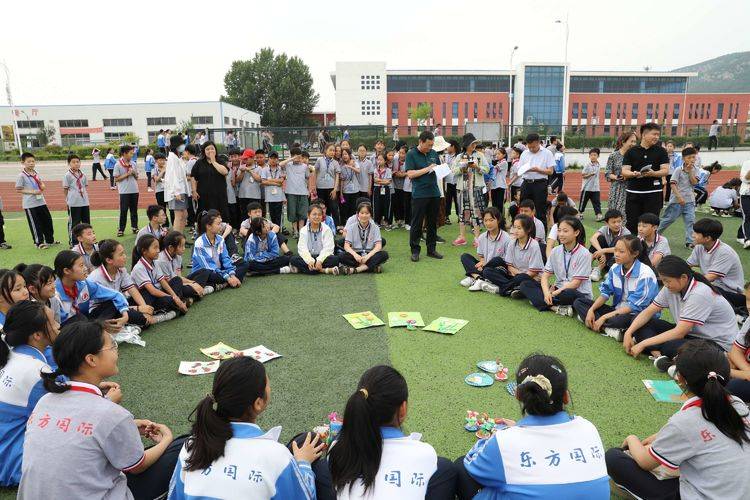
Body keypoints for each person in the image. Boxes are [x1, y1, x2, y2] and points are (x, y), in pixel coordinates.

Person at [19, 320, 183, 500]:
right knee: (181, 447)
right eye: (112, 346)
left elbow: (79, 431)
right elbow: (137, 466)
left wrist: (129, 425)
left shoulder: (46, 400)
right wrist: (166, 439)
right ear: (91, 359)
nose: (116, 350)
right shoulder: (111, 414)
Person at [606, 340, 750, 500]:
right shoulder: (738, 404)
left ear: (680, 378)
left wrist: (631, 439)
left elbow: (645, 462)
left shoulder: (686, 420)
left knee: (614, 458)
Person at [456, 353, 609, 499]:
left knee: (460, 467)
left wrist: (504, 435)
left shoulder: (505, 442)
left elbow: (472, 463)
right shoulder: (588, 428)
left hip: (502, 447)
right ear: (566, 397)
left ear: (518, 395)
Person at [168, 357, 321, 499]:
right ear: (258, 403)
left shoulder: (191, 446)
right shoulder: (277, 456)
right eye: (267, 384)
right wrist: (303, 463)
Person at [317, 365, 456, 500]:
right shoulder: (425, 453)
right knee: (445, 468)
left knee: (323, 467)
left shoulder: (337, 449)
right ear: (403, 409)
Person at [623, 256, 737, 371]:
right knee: (639, 321)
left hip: (716, 345)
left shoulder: (700, 293)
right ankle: (659, 356)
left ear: (683, 278)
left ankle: (653, 349)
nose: (665, 284)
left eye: (667, 281)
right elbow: (648, 312)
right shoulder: (670, 288)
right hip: (691, 336)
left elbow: (679, 333)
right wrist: (628, 332)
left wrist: (643, 343)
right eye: (663, 280)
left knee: (671, 346)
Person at [0, 301, 60, 487]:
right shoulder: (37, 370)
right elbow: (65, 414)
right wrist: (105, 399)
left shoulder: (11, 355)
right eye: (53, 322)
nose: (58, 325)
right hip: (12, 463)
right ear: (37, 335)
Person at [573, 235, 659, 341]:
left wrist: (605, 317)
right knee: (579, 302)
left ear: (635, 254)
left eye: (621, 252)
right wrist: (591, 310)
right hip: (617, 310)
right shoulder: (615, 268)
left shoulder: (646, 274)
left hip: (637, 315)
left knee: (619, 320)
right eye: (615, 250)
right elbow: (605, 293)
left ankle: (602, 324)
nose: (616, 254)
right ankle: (608, 329)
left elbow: (634, 307)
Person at [517, 216, 592, 316]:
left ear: (576, 233)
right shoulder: (555, 251)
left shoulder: (584, 253)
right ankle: (554, 307)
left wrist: (554, 293)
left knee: (568, 294)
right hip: (557, 290)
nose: (560, 234)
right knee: (525, 284)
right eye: (559, 230)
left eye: (565, 231)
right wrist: (547, 292)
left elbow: (575, 284)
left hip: (577, 293)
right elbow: (545, 276)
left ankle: (542, 301)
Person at [88, 239, 163, 328]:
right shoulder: (96, 278)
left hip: (119, 304)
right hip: (103, 311)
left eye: (124, 253)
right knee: (142, 320)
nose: (125, 257)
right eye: (121, 254)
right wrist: (139, 308)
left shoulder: (121, 270)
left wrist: (144, 307)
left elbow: (133, 290)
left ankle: (141, 316)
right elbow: (112, 303)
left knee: (146, 293)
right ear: (109, 260)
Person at [53, 250, 130, 328]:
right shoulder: (54, 295)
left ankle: (99, 328)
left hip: (86, 321)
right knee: (79, 318)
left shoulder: (84, 284)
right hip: (69, 330)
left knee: (111, 303)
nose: (85, 268)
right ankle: (98, 329)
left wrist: (125, 315)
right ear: (67, 271)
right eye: (81, 265)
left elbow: (115, 294)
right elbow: (56, 325)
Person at [687, 217, 746, 314]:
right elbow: (687, 266)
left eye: (696, 233)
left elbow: (710, 278)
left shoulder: (725, 252)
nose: (693, 235)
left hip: (732, 293)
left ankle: (738, 313)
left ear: (707, 238)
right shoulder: (699, 247)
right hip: (715, 287)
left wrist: (686, 281)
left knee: (704, 287)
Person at [621, 123, 670, 234]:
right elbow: (624, 171)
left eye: (658, 134)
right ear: (644, 134)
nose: (657, 137)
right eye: (654, 134)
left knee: (651, 225)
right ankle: (633, 248)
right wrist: (633, 174)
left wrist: (653, 173)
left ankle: (650, 249)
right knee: (632, 224)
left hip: (653, 194)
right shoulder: (631, 151)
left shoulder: (661, 151)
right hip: (634, 193)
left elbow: (665, 170)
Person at [482, 214, 544, 297]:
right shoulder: (512, 243)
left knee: (523, 279)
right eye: (514, 227)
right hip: (515, 275)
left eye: (519, 228)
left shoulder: (534, 245)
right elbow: (509, 266)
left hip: (530, 278)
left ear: (528, 229)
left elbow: (533, 272)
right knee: (487, 271)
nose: (515, 231)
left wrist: (520, 275)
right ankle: (512, 288)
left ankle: (503, 289)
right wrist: (517, 274)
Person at [407, 131, 443, 261]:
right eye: (428, 144)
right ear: (421, 142)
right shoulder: (411, 154)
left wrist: (443, 169)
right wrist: (427, 168)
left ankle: (431, 250)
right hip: (420, 194)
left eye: (432, 145)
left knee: (432, 222)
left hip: (434, 192)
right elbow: (410, 174)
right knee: (417, 223)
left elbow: (438, 170)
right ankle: (415, 250)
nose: (430, 147)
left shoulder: (433, 153)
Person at [131, 234, 188, 315]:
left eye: (158, 247)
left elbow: (163, 282)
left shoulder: (155, 263)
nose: (158, 250)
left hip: (158, 293)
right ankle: (178, 304)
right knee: (167, 299)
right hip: (149, 297)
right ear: (144, 251)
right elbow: (152, 291)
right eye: (155, 248)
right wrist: (172, 298)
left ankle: (177, 303)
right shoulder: (139, 268)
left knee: (177, 280)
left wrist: (175, 297)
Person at [189, 210, 248, 289]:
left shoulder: (220, 239)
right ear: (209, 226)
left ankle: (219, 285)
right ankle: (224, 283)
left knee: (244, 264)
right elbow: (209, 266)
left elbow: (225, 258)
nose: (221, 226)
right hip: (207, 272)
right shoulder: (199, 243)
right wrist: (227, 277)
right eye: (218, 224)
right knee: (208, 274)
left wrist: (232, 274)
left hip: (219, 270)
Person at [451, 133, 490, 247]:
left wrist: (477, 167)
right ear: (466, 145)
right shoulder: (459, 156)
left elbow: (487, 169)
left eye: (475, 143)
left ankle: (477, 238)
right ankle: (462, 237)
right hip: (462, 188)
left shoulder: (480, 155)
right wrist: (464, 167)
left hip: (476, 188)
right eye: (472, 143)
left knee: (477, 212)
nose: (474, 145)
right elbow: (453, 170)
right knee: (462, 212)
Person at [459, 207, 510, 291]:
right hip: (484, 266)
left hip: (498, 268)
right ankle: (478, 278)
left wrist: (485, 263)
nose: (488, 223)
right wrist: (482, 261)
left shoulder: (506, 238)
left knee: (497, 260)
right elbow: (481, 256)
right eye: (485, 220)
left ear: (498, 220)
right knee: (465, 256)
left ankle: (474, 276)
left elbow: (507, 260)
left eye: (491, 220)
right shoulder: (482, 237)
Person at [659, 146, 698, 248]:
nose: (691, 160)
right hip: (677, 201)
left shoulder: (696, 169)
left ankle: (690, 242)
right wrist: (679, 197)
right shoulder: (678, 170)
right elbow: (672, 184)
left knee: (691, 220)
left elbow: (694, 183)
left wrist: (690, 172)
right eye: (689, 157)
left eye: (693, 157)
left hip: (689, 201)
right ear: (683, 159)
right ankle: (655, 235)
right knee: (668, 219)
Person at [16, 152, 56, 249]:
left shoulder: (35, 173)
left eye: (33, 161)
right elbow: (18, 189)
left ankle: (50, 240)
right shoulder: (21, 175)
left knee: (47, 221)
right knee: (35, 224)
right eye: (29, 161)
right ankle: (39, 243)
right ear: (23, 162)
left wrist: (42, 185)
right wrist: (33, 192)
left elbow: (40, 183)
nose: (31, 163)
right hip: (30, 204)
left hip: (41, 201)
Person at [517, 133, 555, 233]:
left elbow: (550, 171)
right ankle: (524, 233)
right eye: (529, 147)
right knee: (523, 209)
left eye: (533, 147)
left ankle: (542, 236)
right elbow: (519, 169)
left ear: (538, 143)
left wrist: (538, 170)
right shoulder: (525, 153)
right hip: (526, 183)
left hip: (540, 184)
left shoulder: (547, 153)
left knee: (540, 210)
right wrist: (525, 169)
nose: (531, 149)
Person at [156, 231, 207, 300]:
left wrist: (193, 283)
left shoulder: (178, 256)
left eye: (184, 245)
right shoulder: (162, 260)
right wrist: (192, 284)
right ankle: (197, 292)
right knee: (185, 286)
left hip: (177, 282)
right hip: (168, 287)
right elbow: (170, 282)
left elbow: (179, 277)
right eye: (181, 246)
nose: (184, 249)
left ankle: (193, 294)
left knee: (204, 271)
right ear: (171, 248)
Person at [290, 204, 340, 275]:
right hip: (309, 257)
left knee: (335, 259)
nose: (317, 217)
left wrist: (319, 261)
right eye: (314, 214)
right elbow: (302, 249)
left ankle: (307, 270)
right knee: (293, 259)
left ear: (322, 216)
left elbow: (328, 249)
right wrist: (310, 261)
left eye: (319, 215)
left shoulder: (327, 229)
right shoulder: (303, 230)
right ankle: (323, 270)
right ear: (308, 216)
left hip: (323, 258)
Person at [341, 203, 389, 274]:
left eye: (367, 213)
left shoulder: (375, 227)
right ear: (357, 214)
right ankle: (370, 267)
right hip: (356, 254)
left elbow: (378, 246)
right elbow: (346, 246)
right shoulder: (351, 227)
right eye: (362, 213)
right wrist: (355, 255)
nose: (364, 215)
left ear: (370, 215)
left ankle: (358, 269)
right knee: (341, 256)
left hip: (370, 254)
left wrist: (367, 256)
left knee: (384, 254)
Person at [191, 141, 230, 224]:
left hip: (219, 195)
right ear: (204, 151)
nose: (210, 151)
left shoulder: (220, 160)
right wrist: (194, 191)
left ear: (215, 150)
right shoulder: (199, 163)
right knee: (205, 216)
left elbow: (225, 172)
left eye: (212, 149)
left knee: (220, 215)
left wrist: (213, 161)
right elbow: (193, 177)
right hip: (204, 195)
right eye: (207, 149)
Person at [589, 209, 630, 282]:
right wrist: (601, 251)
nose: (617, 224)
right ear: (606, 223)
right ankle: (586, 267)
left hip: (617, 262)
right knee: (599, 239)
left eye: (619, 221)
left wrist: (603, 251)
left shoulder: (626, 232)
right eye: (613, 222)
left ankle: (604, 269)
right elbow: (592, 239)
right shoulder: (604, 228)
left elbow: (622, 249)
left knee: (619, 241)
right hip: (604, 259)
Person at [605, 132, 636, 225]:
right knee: (615, 215)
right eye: (632, 141)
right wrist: (617, 177)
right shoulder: (613, 156)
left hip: (631, 188)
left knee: (628, 215)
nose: (634, 144)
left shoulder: (635, 155)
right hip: (617, 189)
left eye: (635, 142)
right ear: (623, 142)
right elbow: (608, 173)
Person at [281, 148, 314, 237]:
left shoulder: (305, 166)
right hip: (291, 192)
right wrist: (292, 158)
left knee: (302, 213)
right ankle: (295, 231)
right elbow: (280, 164)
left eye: (299, 156)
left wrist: (309, 190)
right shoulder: (288, 165)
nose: (298, 158)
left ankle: (301, 232)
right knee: (292, 213)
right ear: (291, 156)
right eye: (295, 156)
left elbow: (308, 178)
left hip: (303, 192)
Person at [62, 154, 90, 246]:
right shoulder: (67, 175)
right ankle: (73, 242)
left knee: (86, 222)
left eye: (78, 162)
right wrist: (68, 199)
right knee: (74, 223)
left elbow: (85, 186)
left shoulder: (83, 175)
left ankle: (87, 240)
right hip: (73, 203)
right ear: (69, 164)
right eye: (73, 162)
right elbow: (65, 189)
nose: (76, 164)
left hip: (84, 202)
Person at [164, 136, 190, 233]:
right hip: (177, 190)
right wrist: (176, 192)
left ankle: (180, 236)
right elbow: (172, 176)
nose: (183, 146)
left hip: (181, 189)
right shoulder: (172, 158)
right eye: (181, 143)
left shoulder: (176, 157)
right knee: (179, 215)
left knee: (184, 214)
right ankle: (176, 239)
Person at [113, 145, 140, 237]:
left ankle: (135, 227)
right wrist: (127, 174)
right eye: (130, 153)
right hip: (124, 192)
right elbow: (116, 179)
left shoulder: (133, 163)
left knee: (134, 210)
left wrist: (134, 173)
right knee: (123, 211)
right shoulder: (118, 164)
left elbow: (137, 177)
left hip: (134, 190)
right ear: (124, 153)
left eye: (132, 153)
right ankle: (121, 229)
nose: (132, 155)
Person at [313, 143, 342, 227]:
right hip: (320, 188)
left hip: (331, 189)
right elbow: (315, 172)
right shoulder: (319, 160)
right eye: (330, 150)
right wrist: (314, 186)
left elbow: (337, 176)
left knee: (334, 208)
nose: (332, 152)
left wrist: (335, 189)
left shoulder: (336, 162)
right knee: (322, 208)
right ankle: (322, 225)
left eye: (334, 150)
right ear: (325, 151)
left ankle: (337, 226)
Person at [261, 151, 286, 228]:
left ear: (277, 159)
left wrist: (269, 180)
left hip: (279, 197)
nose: (273, 160)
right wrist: (276, 183)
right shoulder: (265, 169)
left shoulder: (280, 169)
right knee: (272, 216)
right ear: (268, 159)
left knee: (279, 216)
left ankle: (279, 231)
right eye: (271, 158)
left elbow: (281, 180)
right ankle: (273, 231)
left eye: (275, 158)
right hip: (269, 197)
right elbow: (263, 181)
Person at [236, 149, 262, 221]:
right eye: (244, 159)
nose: (245, 160)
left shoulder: (258, 168)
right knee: (244, 214)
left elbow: (259, 179)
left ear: (252, 158)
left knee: (255, 214)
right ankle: (245, 230)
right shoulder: (242, 167)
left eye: (246, 158)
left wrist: (249, 170)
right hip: (243, 195)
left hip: (255, 195)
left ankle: (255, 229)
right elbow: (237, 180)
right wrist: (242, 172)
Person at [579, 148, 603, 221]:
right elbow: (583, 175)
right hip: (587, 188)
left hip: (596, 188)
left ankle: (598, 215)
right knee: (583, 202)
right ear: (589, 156)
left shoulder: (599, 165)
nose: (593, 156)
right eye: (591, 155)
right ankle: (580, 213)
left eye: (595, 155)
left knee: (597, 202)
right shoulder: (587, 165)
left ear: (598, 156)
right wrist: (590, 174)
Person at [371, 152, 393, 227]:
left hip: (386, 189)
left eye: (381, 159)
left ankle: (386, 221)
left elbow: (388, 182)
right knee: (377, 205)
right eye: (378, 159)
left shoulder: (388, 170)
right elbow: (375, 180)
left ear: (385, 161)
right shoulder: (375, 170)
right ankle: (377, 221)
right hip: (377, 189)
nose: (379, 161)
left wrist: (380, 180)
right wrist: (383, 181)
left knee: (386, 205)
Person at [443, 140, 460, 224]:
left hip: (457, 181)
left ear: (453, 147)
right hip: (448, 181)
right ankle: (446, 217)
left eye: (448, 146)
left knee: (458, 200)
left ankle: (459, 216)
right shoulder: (445, 156)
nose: (447, 148)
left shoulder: (459, 156)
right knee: (448, 200)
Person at [738, 158, 750, 248]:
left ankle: (740, 235)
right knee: (747, 216)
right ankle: (748, 240)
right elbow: (744, 180)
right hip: (746, 194)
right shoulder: (747, 163)